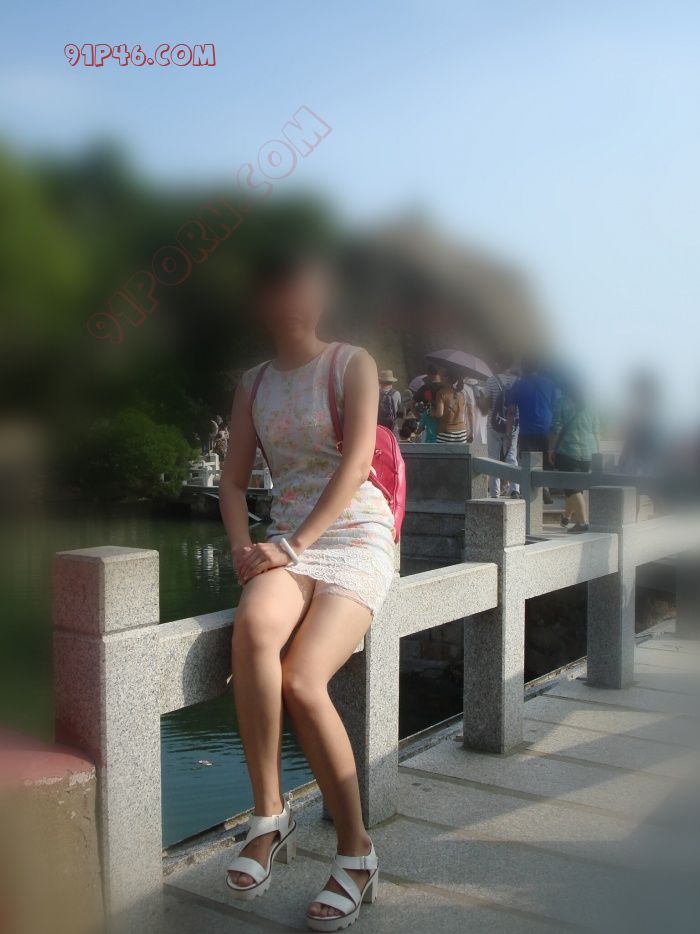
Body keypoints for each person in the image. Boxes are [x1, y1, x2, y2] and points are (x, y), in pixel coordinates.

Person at [219, 250, 391, 930]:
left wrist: (292, 546)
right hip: (286, 539)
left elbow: (356, 463)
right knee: (254, 629)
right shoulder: (254, 383)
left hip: (354, 536)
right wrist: (245, 548)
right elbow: (234, 481)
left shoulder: (352, 363)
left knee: (303, 680)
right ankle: (269, 814)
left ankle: (357, 851)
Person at [549, 380, 600, 533]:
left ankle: (583, 523)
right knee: (576, 488)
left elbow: (556, 428)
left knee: (572, 489)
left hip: (568, 450)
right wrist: (598, 452)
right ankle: (566, 517)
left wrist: (551, 449)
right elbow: (596, 430)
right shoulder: (592, 404)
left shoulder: (561, 403)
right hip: (589, 451)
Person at [506, 358, 558, 503]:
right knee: (545, 462)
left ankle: (530, 493)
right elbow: (555, 408)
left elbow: (511, 412)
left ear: (523, 369)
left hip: (526, 431)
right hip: (546, 428)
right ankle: (545, 488)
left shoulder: (518, 385)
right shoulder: (549, 384)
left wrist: (508, 435)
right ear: (538, 368)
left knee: (528, 463)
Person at [482, 356, 520, 498]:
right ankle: (514, 489)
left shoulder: (492, 380)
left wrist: (481, 401)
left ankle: (494, 492)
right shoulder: (518, 381)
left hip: (494, 424)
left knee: (494, 457)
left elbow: (486, 406)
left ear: (498, 364)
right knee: (511, 456)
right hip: (513, 424)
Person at [434, 369, 473, 443]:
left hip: (446, 432)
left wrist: (433, 411)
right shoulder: (461, 394)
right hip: (462, 432)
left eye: (442, 376)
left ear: (447, 378)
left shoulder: (441, 393)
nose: (440, 377)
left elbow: (439, 414)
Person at [412, 365, 442, 442]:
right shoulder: (445, 388)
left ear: (428, 374)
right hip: (445, 432)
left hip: (428, 422)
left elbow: (411, 403)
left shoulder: (425, 388)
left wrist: (420, 418)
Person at [377, 369, 403, 434]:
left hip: (379, 426)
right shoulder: (396, 393)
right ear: (391, 382)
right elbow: (400, 410)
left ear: (380, 382)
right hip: (392, 426)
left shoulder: (376, 393)